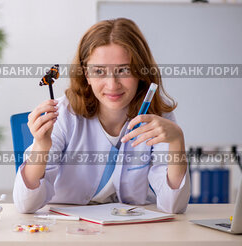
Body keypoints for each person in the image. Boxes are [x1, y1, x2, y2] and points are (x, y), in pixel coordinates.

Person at [13, 18, 190, 214]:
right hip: (68, 229)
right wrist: (41, 146)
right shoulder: (65, 114)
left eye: (124, 70)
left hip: (131, 229)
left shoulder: (158, 117)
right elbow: (25, 204)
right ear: (86, 75)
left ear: (140, 71)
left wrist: (176, 142)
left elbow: (174, 205)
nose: (112, 84)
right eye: (99, 71)